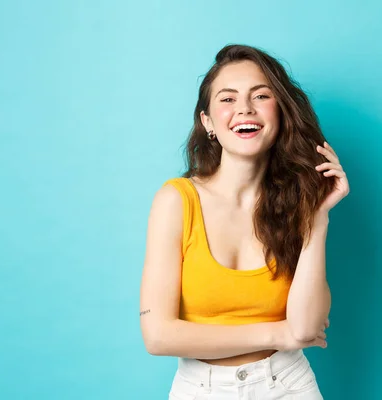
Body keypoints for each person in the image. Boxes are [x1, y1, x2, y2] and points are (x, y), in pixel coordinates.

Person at [139, 44, 349, 399]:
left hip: (288, 385)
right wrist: (277, 334)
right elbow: (158, 335)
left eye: (261, 95)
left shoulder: (298, 205)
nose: (245, 109)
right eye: (227, 99)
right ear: (207, 122)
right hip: (200, 389)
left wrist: (318, 216)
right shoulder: (176, 201)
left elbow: (307, 326)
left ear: (280, 113)